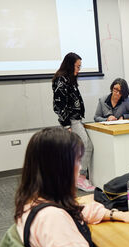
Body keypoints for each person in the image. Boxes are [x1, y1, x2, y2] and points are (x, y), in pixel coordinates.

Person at [52, 52, 95, 192]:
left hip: (76, 119)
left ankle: (73, 177)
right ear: (70, 65)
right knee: (86, 146)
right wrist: (67, 126)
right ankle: (80, 178)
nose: (78, 70)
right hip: (71, 120)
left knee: (75, 150)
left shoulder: (69, 79)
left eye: (80, 67)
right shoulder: (61, 80)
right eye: (77, 66)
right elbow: (59, 105)